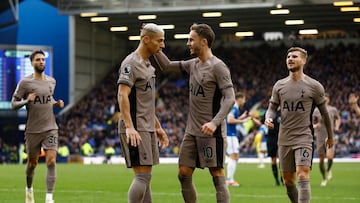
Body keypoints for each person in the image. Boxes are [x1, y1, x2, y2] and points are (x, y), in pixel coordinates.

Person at [154, 23, 235, 203]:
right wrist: (155, 46)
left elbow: (230, 98)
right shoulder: (193, 64)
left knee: (217, 174)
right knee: (183, 173)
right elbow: (166, 66)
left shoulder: (218, 67)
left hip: (211, 132)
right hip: (191, 131)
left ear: (204, 42)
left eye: (191, 40)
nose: (188, 43)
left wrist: (214, 123)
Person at [265, 47, 334, 203]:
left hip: (304, 137)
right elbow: (271, 108)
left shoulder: (314, 86)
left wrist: (330, 136)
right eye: (288, 56)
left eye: (294, 56)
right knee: (288, 181)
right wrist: (268, 118)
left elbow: (325, 113)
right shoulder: (279, 85)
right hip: (284, 139)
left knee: (302, 174)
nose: (290, 58)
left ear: (304, 61)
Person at [117, 23, 169, 203]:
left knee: (145, 177)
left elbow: (145, 104)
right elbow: (122, 95)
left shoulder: (148, 65)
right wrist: (130, 127)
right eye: (159, 41)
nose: (162, 45)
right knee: (142, 177)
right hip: (136, 127)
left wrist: (159, 128)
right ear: (146, 39)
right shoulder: (130, 63)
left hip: (147, 126)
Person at [11, 50, 64, 203]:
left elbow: (47, 99)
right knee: (32, 164)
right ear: (32, 63)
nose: (41, 62)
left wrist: (56, 103)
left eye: (43, 59)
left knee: (51, 161)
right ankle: (29, 188)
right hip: (33, 130)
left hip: (50, 128)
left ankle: (49, 198)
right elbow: (14, 104)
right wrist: (26, 101)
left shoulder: (51, 81)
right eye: (38, 60)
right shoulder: (25, 83)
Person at [312, 93, 341, 186]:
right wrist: (315, 126)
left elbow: (338, 118)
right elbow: (312, 122)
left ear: (329, 99)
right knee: (321, 160)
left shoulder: (333, 109)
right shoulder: (316, 111)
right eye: (323, 97)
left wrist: (337, 126)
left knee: (330, 157)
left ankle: (328, 170)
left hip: (330, 135)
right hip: (320, 136)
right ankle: (324, 178)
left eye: (326, 97)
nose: (325, 99)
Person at [225, 91, 251, 186]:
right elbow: (230, 120)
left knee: (235, 156)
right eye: (244, 99)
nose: (244, 101)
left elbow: (231, 118)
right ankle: (229, 180)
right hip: (230, 135)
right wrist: (243, 120)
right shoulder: (234, 107)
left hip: (232, 135)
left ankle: (230, 179)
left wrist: (241, 117)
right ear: (239, 99)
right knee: (234, 156)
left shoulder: (234, 107)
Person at [266, 109, 282, 186]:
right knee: (273, 160)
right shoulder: (269, 113)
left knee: (282, 159)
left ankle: (283, 178)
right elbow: (263, 123)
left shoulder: (282, 112)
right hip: (271, 139)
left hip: (281, 138)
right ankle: (276, 180)